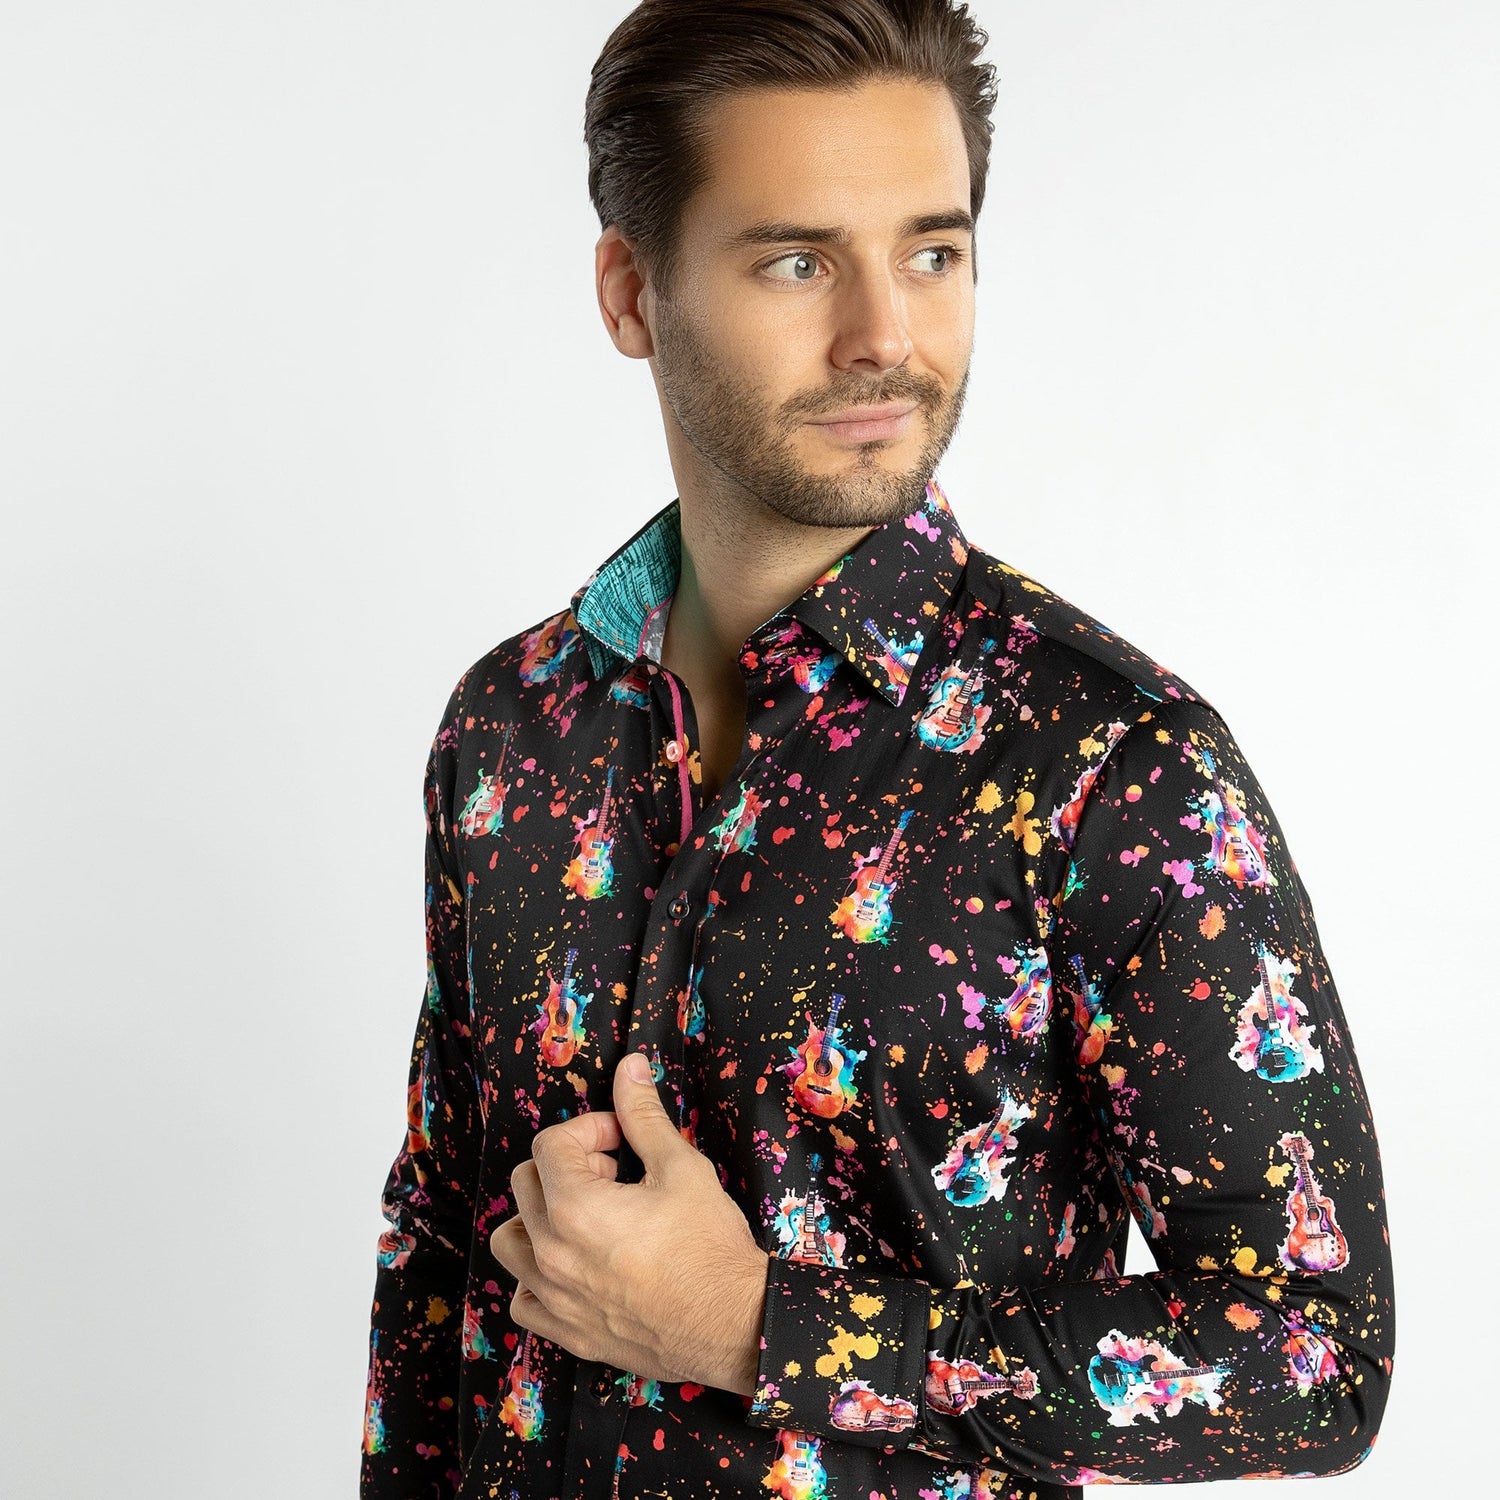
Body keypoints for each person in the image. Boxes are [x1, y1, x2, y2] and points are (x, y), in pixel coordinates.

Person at [359, 3, 1395, 1496]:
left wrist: (761, 1329)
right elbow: (437, 1248)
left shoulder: (1111, 763)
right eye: (796, 261)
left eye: (931, 254)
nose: (884, 338)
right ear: (632, 292)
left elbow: (1316, 1360)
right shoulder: (511, 727)